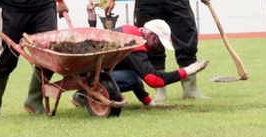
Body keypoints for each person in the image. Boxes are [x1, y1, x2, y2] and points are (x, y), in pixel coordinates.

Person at [75, 19, 208, 107]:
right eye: (157, 42)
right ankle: (84, 95)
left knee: (133, 75)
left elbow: (134, 70)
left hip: (90, 68)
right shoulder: (134, 40)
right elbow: (153, 79)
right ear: (150, 34)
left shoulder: (130, 32)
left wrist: (148, 102)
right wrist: (187, 71)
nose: (158, 48)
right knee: (132, 78)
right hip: (89, 73)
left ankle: (82, 94)